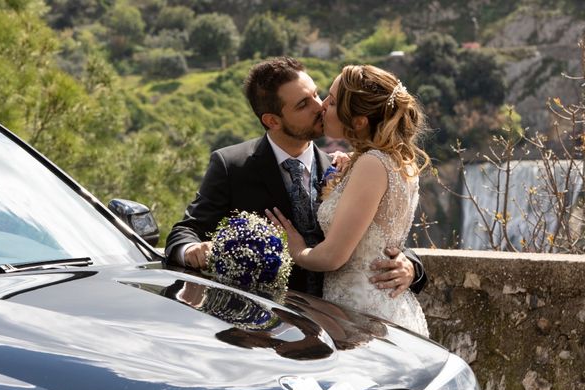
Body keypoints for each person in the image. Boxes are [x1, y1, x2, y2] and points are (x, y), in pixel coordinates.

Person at [165, 57, 426, 298]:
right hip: (261, 325)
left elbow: (382, 228)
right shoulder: (231, 166)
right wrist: (191, 251)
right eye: (303, 104)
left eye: (317, 94)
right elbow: (185, 231)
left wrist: (411, 266)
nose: (320, 107)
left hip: (340, 320)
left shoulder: (348, 166)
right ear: (272, 120)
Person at [266, 65, 429, 336]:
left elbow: (332, 256)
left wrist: (296, 250)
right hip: (375, 306)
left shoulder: (372, 164)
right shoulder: (394, 161)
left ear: (359, 121)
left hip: (361, 313)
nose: (323, 106)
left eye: (331, 100)